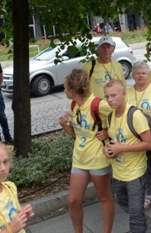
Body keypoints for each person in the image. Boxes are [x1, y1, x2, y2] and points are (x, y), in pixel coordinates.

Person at [58, 69, 114, 233]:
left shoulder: (99, 104)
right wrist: (65, 125)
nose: (64, 90)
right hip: (80, 159)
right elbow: (75, 133)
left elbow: (121, 116)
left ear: (72, 91)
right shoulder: (74, 105)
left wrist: (108, 132)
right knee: (73, 201)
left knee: (104, 197)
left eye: (65, 88)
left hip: (98, 159)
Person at [103, 80, 151, 233]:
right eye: (107, 97)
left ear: (124, 94)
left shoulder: (135, 115)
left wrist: (122, 148)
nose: (110, 100)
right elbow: (114, 141)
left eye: (113, 95)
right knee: (125, 204)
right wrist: (108, 149)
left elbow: (149, 143)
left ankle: (139, 228)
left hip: (135, 173)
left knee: (136, 214)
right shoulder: (110, 116)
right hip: (118, 173)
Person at [126, 61, 151, 210]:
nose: (141, 76)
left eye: (143, 73)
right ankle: (149, 194)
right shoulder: (128, 93)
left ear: (147, 75)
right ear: (133, 75)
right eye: (138, 73)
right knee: (145, 168)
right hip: (135, 138)